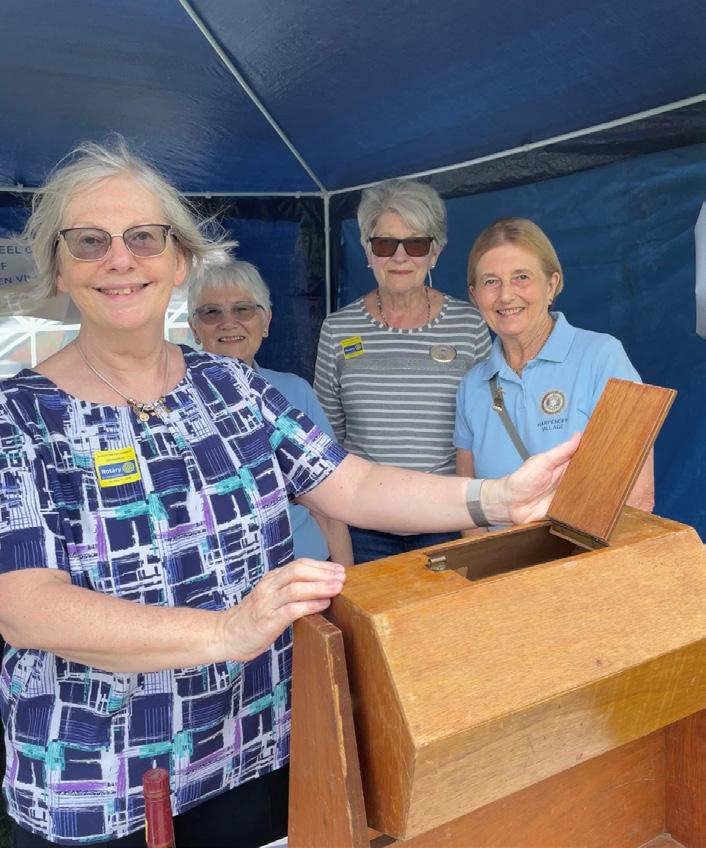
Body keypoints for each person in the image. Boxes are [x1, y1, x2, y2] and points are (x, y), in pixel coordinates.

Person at [0, 140, 578, 848]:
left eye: (144, 237)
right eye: (90, 241)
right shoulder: (18, 416)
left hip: (258, 751)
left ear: (179, 261)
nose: (120, 259)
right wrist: (224, 632)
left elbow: (351, 483)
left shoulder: (231, 384)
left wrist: (498, 499)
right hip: (101, 787)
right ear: (59, 267)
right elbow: (24, 607)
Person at [314, 179, 491, 563]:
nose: (399, 256)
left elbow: (483, 431)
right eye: (384, 244)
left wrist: (474, 524)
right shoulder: (338, 329)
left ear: (435, 252)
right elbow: (328, 440)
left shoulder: (469, 325)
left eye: (416, 244)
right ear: (367, 251)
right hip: (364, 527)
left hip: (444, 519)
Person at [455, 217, 653, 533]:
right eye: (491, 282)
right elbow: (470, 511)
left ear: (551, 284)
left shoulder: (602, 356)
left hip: (586, 558)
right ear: (475, 295)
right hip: (501, 563)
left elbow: (637, 498)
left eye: (521, 277)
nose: (505, 296)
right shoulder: (472, 387)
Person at [188, 258, 353, 565]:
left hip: (306, 568)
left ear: (265, 322)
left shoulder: (296, 392)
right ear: (194, 328)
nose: (228, 322)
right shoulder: (169, 405)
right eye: (211, 312)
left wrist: (349, 583)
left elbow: (330, 503)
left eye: (243, 309)